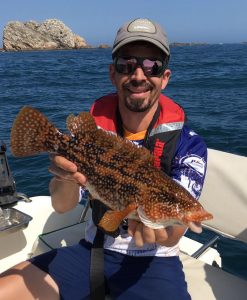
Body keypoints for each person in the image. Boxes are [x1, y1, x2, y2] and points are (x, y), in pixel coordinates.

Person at [0, 18, 207, 300]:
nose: (138, 75)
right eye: (127, 64)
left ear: (165, 77)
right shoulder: (95, 136)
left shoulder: (189, 144)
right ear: (113, 73)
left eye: (152, 66)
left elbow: (172, 234)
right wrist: (66, 176)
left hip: (154, 262)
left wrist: (166, 228)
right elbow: (62, 206)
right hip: (92, 250)